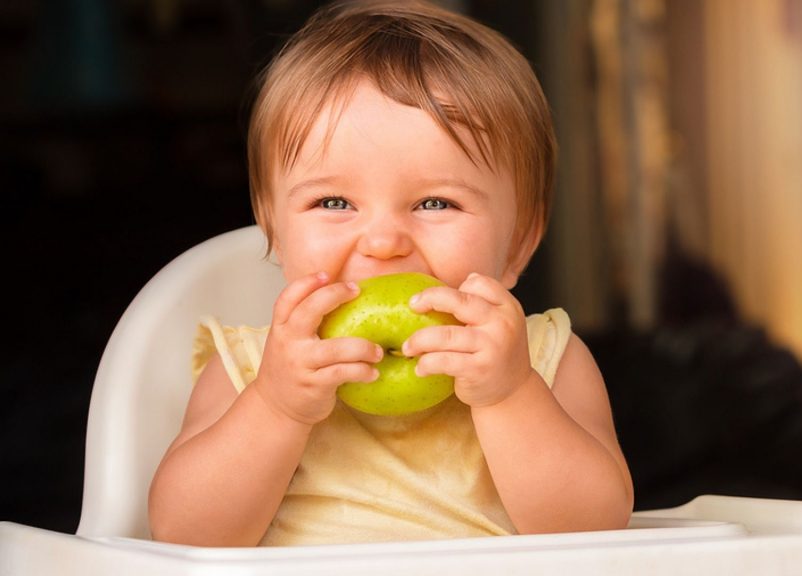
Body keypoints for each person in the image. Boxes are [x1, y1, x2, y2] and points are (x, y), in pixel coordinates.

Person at [148, 0, 633, 547]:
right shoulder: (247, 371)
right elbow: (183, 534)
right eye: (333, 201)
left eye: (434, 204)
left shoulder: (545, 362)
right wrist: (276, 406)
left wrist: (509, 395)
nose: (383, 244)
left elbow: (597, 532)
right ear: (275, 232)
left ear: (519, 241)